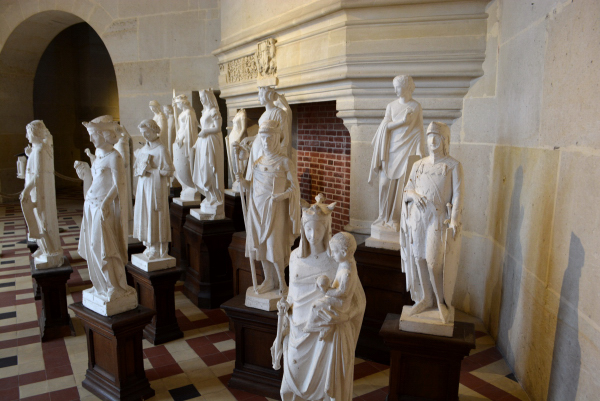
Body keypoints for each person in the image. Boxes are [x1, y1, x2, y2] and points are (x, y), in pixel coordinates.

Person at [271, 195, 366, 401]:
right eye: (308, 229)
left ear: (327, 229)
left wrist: (344, 316)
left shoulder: (339, 261)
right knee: (289, 386)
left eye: (318, 230)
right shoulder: (295, 257)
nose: (313, 235)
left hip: (326, 335)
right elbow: (292, 294)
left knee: (326, 389)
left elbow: (358, 300)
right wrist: (285, 304)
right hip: (298, 330)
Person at [401, 121, 463, 323]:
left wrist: (454, 219)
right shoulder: (418, 165)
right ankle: (426, 298)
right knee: (419, 257)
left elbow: (458, 195)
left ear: (445, 140)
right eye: (429, 136)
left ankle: (440, 302)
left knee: (434, 262)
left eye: (437, 137)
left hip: (438, 218)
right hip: (418, 218)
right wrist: (413, 195)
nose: (432, 140)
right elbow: (407, 189)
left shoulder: (452, 166)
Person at [76, 117, 136, 313]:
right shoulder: (99, 156)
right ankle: (100, 284)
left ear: (104, 134)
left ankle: (115, 287)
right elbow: (96, 181)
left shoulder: (114, 157)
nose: (91, 140)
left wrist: (106, 203)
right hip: (91, 206)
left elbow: (119, 185)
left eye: (93, 135)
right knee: (92, 247)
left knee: (105, 248)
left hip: (103, 208)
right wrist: (85, 173)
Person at [236, 120, 300, 295]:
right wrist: (243, 182)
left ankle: (282, 282)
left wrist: (281, 196)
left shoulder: (284, 162)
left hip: (275, 209)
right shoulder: (257, 162)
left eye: (269, 138)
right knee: (261, 246)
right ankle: (268, 280)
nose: (266, 142)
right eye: (263, 138)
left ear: (276, 139)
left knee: (274, 246)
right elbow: (252, 186)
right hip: (257, 209)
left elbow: (294, 188)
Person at [369, 75, 425, 237]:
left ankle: (395, 219)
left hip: (407, 150)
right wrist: (402, 121)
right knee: (384, 184)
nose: (395, 91)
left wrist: (420, 151)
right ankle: (382, 216)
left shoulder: (416, 106)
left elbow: (419, 129)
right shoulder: (391, 106)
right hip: (391, 150)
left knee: (401, 187)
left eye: (398, 87)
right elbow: (385, 126)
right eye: (394, 87)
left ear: (407, 87)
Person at [19, 120, 63, 268]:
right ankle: (44, 249)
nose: (27, 136)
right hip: (36, 190)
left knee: (42, 221)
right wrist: (29, 154)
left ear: (35, 133)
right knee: (39, 220)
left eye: (28, 133)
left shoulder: (39, 150)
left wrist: (26, 190)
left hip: (38, 192)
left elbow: (37, 175)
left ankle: (51, 252)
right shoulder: (37, 149)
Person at [304, 232, 360, 341]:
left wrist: (326, 291)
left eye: (334, 251)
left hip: (340, 304)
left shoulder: (346, 273)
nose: (332, 254)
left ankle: (318, 327)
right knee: (318, 305)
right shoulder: (346, 264)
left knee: (315, 306)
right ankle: (324, 326)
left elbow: (342, 292)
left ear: (344, 252)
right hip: (338, 300)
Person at [133, 119, 175, 259]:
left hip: (155, 187)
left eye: (146, 132)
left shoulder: (161, 149)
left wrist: (151, 170)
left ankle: (156, 247)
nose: (144, 135)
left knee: (154, 215)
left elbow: (169, 171)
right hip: (143, 186)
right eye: (142, 133)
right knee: (145, 214)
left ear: (154, 131)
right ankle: (148, 245)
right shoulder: (143, 149)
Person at [245, 87, 292, 181]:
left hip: (269, 151)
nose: (258, 98)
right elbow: (260, 135)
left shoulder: (279, 113)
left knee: (265, 178)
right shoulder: (263, 115)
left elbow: (285, 136)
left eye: (260, 95)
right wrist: (248, 139)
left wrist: (280, 155)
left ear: (268, 96)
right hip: (257, 149)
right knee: (256, 176)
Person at [192, 89, 225, 218]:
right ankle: (209, 195)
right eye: (200, 97)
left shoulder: (214, 111)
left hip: (211, 143)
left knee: (210, 170)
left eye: (203, 97)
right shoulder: (204, 111)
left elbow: (218, 128)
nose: (201, 100)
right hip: (203, 143)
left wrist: (205, 131)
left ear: (208, 97)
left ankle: (216, 197)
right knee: (203, 169)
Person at [172, 94, 199, 201]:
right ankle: (185, 185)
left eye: (178, 104)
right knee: (177, 164)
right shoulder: (183, 113)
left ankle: (191, 185)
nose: (177, 106)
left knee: (186, 162)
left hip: (186, 140)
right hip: (180, 138)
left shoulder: (189, 113)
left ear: (182, 103)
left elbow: (189, 128)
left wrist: (181, 138)